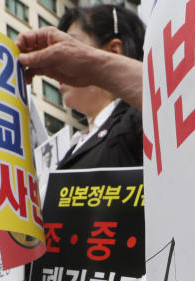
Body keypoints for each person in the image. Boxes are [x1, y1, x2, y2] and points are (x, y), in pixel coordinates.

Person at [52, 5, 146, 170]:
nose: (58, 61)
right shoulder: (73, 148)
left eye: (69, 46)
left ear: (114, 51)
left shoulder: (142, 117)